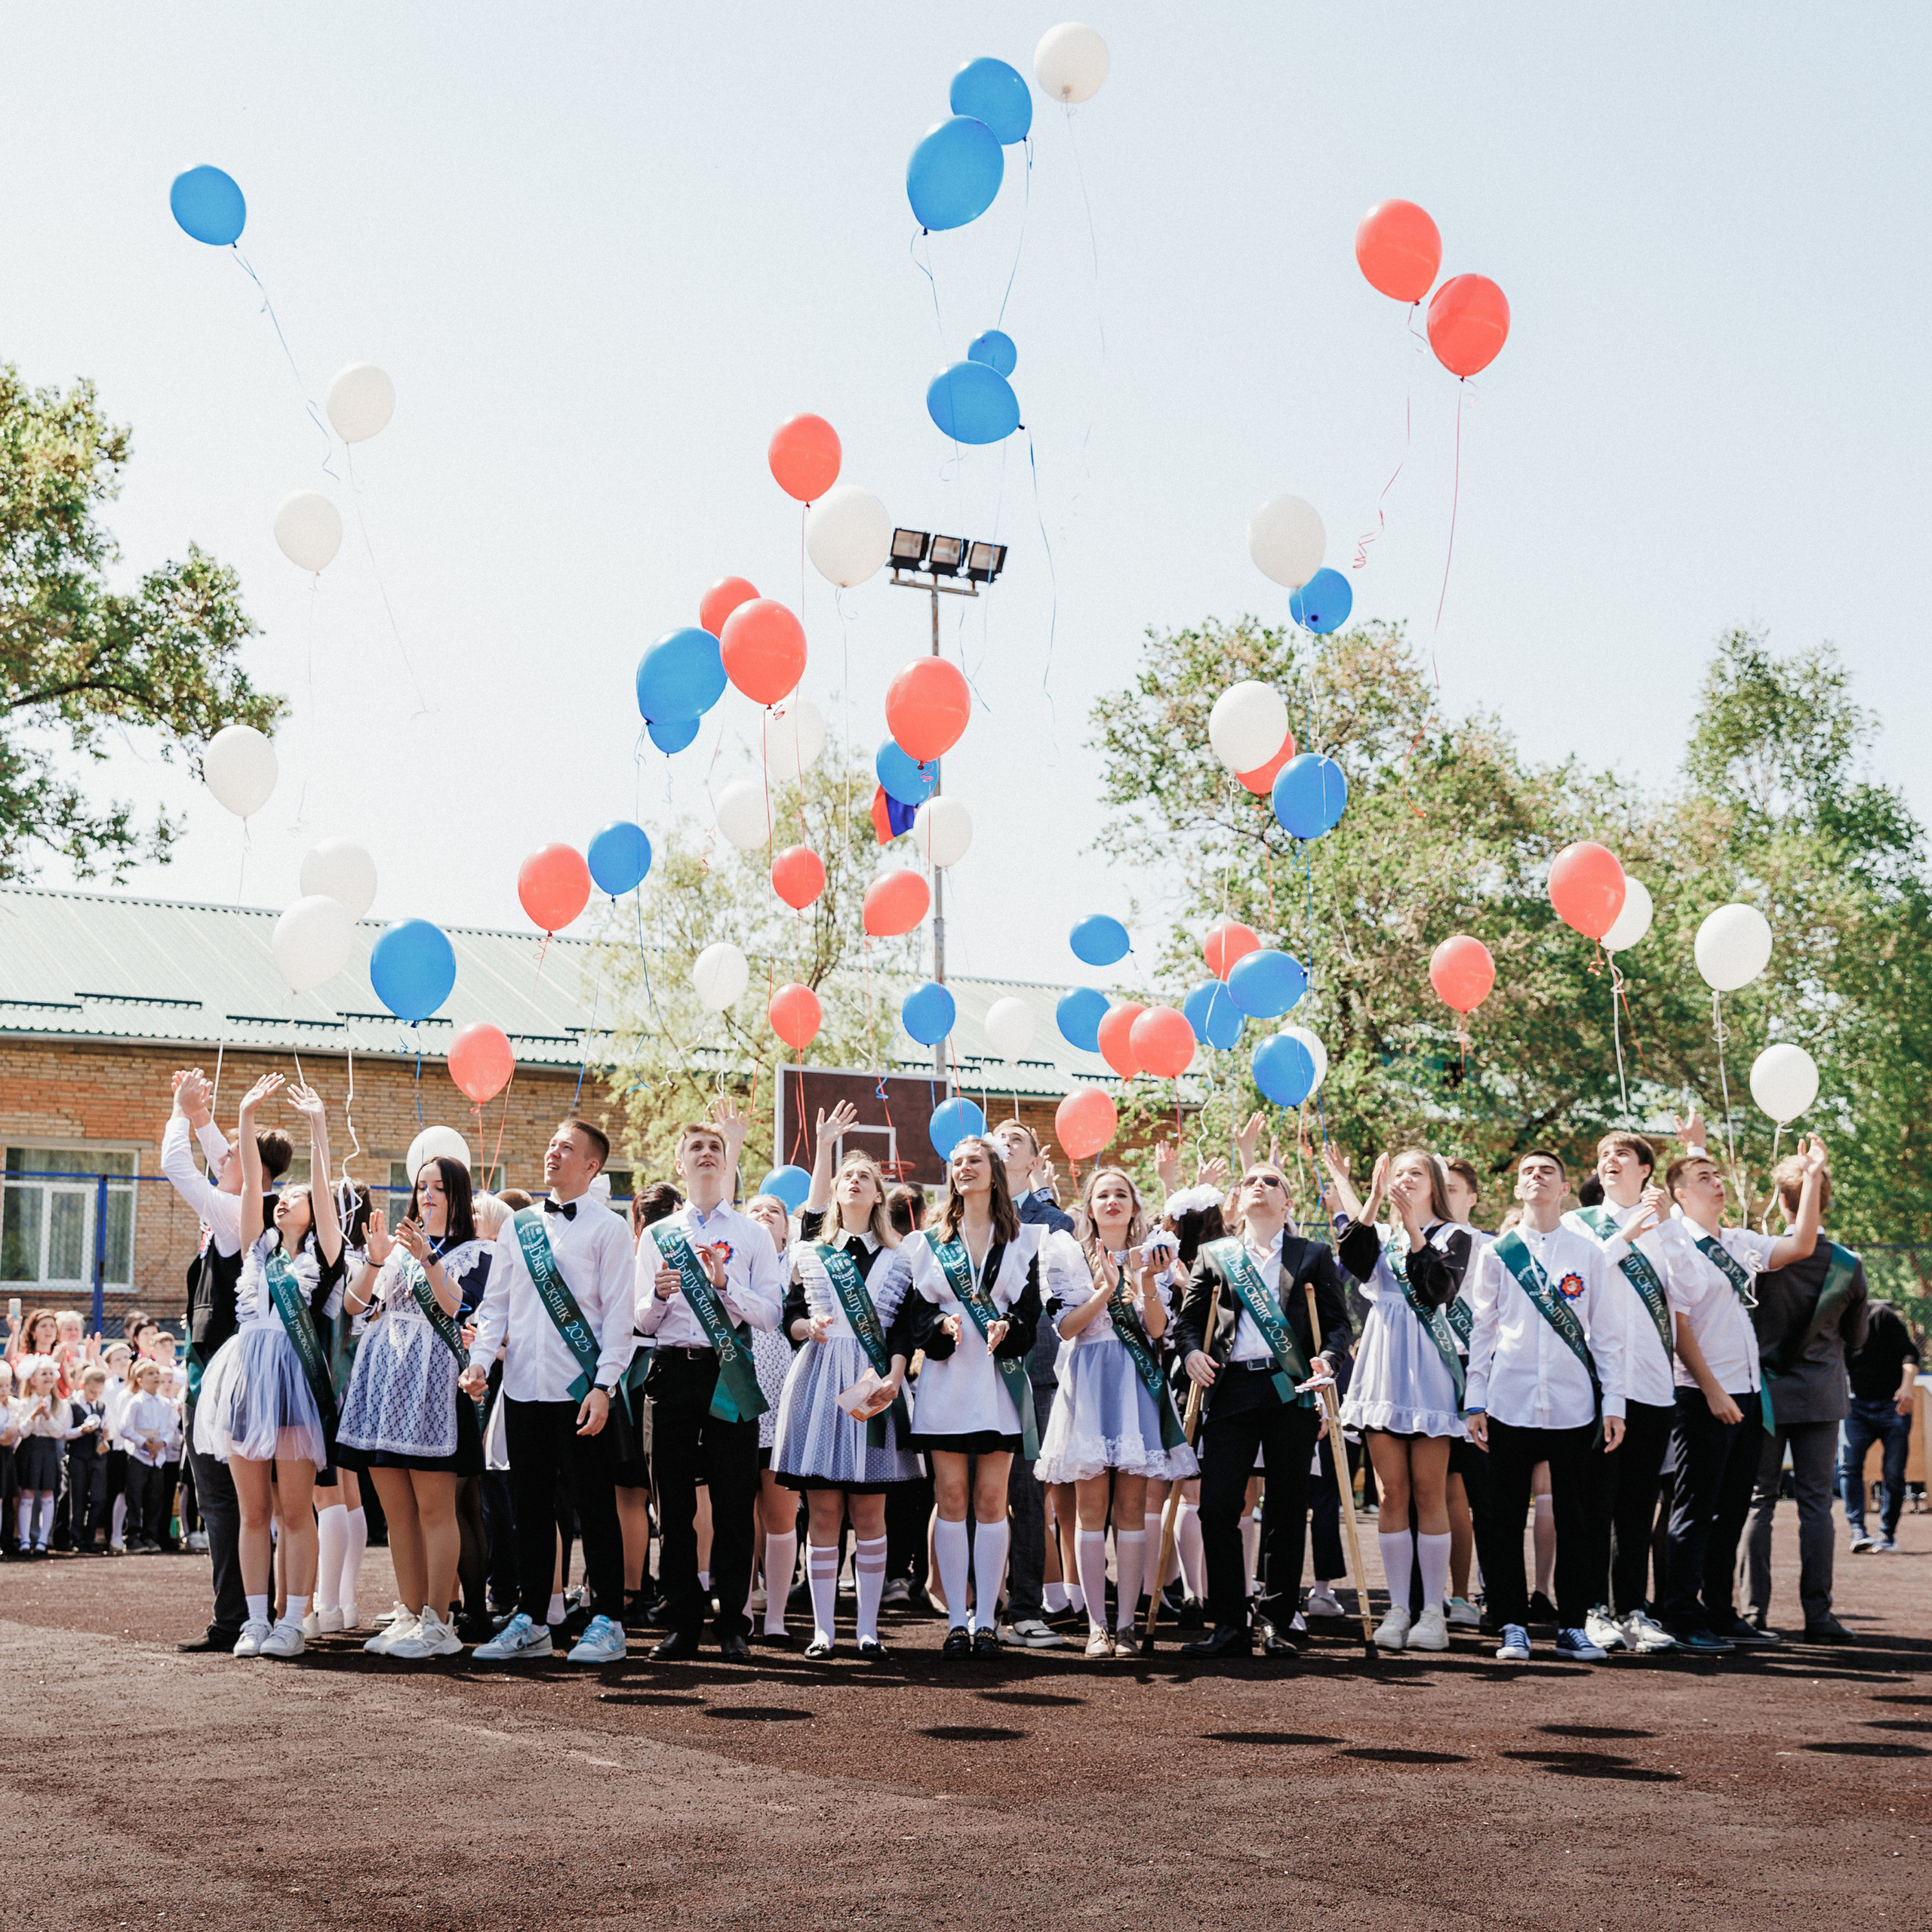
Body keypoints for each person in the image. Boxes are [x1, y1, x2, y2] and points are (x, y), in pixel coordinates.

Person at [460, 1118, 640, 1665]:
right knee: (529, 1509)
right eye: (551, 1144)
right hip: (523, 1387)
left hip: (579, 1388)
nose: (553, 1153)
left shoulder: (608, 1230)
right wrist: (479, 1361)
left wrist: (605, 1384)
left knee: (593, 1506)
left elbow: (618, 1318)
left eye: (567, 1148)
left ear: (592, 1165)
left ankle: (608, 1619)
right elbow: (496, 1305)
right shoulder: (519, 1227)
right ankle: (533, 1620)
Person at [1654, 1132, 1827, 1654]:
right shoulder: (1674, 1242)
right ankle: (1681, 1613)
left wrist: (1813, 1176)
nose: (1717, 1184)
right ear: (1680, 1193)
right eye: (1703, 1178)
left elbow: (1801, 1244)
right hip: (1701, 1394)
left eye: (1717, 1176)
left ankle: (1720, 1611)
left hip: (1747, 1394)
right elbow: (1679, 1327)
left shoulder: (1738, 1240)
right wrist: (1711, 1391)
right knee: (1694, 1507)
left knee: (1731, 1510)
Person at [192, 1076, 346, 1660]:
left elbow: (326, 1194)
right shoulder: (257, 1244)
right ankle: (255, 1621)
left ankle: (293, 1620)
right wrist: (245, 1113)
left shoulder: (324, 1256)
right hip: (244, 1381)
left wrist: (318, 1127)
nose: (285, 1200)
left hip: (292, 1385)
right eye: (284, 1196)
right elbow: (255, 1179)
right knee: (253, 1512)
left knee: (293, 1510)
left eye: (297, 1197)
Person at [1174, 1161, 1351, 1660]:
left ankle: (1276, 1621)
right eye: (1250, 1180)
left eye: (1271, 1181)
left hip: (1290, 1388)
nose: (1259, 1186)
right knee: (1217, 1505)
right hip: (1231, 1387)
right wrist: (1191, 1353)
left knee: (1289, 1507)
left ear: (1287, 1203)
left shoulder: (1312, 1255)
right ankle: (1230, 1621)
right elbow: (1188, 1324)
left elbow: (1338, 1325)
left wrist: (1330, 1359)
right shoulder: (1214, 1256)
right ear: (1238, 1198)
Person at [632, 1115, 786, 1663]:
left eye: (714, 1147)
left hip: (728, 1373)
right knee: (671, 1506)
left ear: (727, 1163)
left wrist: (726, 1285)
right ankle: (680, 1622)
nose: (705, 1153)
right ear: (681, 1163)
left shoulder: (749, 1234)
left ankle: (734, 1624)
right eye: (695, 1146)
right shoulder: (657, 1235)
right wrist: (657, 1295)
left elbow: (770, 1314)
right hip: (672, 1372)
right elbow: (642, 1323)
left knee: (731, 1504)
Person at [1464, 1150, 1627, 1664]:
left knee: (1578, 1518)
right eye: (1528, 1172)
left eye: (1547, 1172)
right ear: (1517, 1188)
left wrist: (1615, 1401)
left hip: (1573, 1404)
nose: (1536, 1177)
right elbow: (1483, 1329)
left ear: (1563, 1189)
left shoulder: (1589, 1251)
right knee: (1503, 1517)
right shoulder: (1496, 1253)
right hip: (1508, 1401)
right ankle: (1512, 1623)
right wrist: (1474, 1399)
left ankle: (1573, 1625)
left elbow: (1605, 1333)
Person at [774, 1108, 922, 1661]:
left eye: (865, 1177)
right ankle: (822, 1630)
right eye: (846, 1177)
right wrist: (806, 1326)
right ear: (835, 1193)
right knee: (825, 1511)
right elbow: (788, 1315)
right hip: (818, 1380)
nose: (854, 1182)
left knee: (870, 1512)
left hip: (873, 1384)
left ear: (879, 1194)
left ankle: (867, 1628)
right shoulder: (813, 1253)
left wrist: (895, 1371)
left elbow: (905, 1326)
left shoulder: (900, 1258)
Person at [1035, 1166, 1198, 1659]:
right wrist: (1106, 1291)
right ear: (1089, 1206)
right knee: (1089, 1510)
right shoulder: (1066, 1253)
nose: (1112, 1201)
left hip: (1134, 1383)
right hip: (1088, 1383)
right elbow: (1066, 1328)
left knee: (1131, 1508)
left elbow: (1156, 1330)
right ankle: (1097, 1626)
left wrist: (1144, 1280)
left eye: (1121, 1194)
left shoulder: (1154, 1255)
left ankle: (1126, 1625)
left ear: (1133, 1205)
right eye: (1102, 1194)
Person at [158, 1067, 294, 1651]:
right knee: (235, 1502)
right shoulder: (243, 1201)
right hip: (222, 1370)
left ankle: (238, 1617)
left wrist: (178, 1110)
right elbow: (221, 1156)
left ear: (254, 1173)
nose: (223, 1158)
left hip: (229, 1375)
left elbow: (177, 1166)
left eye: (234, 1155)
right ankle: (244, 1612)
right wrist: (201, 1116)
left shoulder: (237, 1213)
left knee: (227, 1500)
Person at [337, 1155, 493, 1660]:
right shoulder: (395, 1250)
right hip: (386, 1384)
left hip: (435, 1384)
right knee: (397, 1510)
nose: (427, 1195)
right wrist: (377, 1258)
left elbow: (454, 1309)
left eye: (439, 1187)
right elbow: (356, 1308)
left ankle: (439, 1619)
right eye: (422, 1186)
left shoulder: (476, 1251)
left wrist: (428, 1258)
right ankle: (408, 1611)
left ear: (458, 1194)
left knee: (433, 1507)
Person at [901, 1135, 1046, 1660]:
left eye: (975, 1160)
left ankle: (988, 1619)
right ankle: (957, 1619)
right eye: (957, 1162)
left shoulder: (1025, 1241)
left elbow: (1031, 1314)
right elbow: (915, 1318)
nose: (965, 1168)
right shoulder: (927, 1243)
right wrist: (941, 1324)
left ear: (994, 1171)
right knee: (951, 1500)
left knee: (991, 1501)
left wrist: (1010, 1325)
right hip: (946, 1383)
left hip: (998, 1386)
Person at [1324, 1146, 1471, 1653]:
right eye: (1399, 1174)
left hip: (1429, 1373)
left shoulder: (1456, 1236)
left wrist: (1413, 1230)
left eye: (1416, 1173)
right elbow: (1352, 1259)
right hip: (1384, 1370)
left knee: (1431, 1492)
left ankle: (1435, 1610)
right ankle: (1399, 1607)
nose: (1406, 1180)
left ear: (1435, 1183)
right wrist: (1368, 1199)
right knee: (1391, 1494)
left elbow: (1437, 1291)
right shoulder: (1379, 1235)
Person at [1562, 1131, 1682, 1655]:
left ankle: (1634, 1609)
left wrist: (1668, 1228)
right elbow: (1572, 1285)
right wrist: (1625, 1236)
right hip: (1599, 1387)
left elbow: (1692, 1293)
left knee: (1637, 1505)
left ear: (1646, 1171)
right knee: (1595, 1502)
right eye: (1604, 1155)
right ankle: (1591, 1609)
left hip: (1654, 1386)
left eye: (1623, 1155)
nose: (1611, 1161)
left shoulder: (1667, 1228)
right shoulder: (1577, 1224)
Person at [1744, 1150, 1867, 1642]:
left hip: (1766, 1396)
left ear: (1782, 1201)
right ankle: (1818, 1616)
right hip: (1821, 1396)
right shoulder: (1847, 1265)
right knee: (1817, 1505)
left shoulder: (1759, 1256)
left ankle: (1753, 1614)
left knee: (1759, 1503)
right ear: (1826, 1199)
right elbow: (1857, 1340)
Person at [989, 1118, 1075, 1651]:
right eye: (995, 1135)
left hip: (1031, 1374)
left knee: (1025, 1492)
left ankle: (1024, 1608)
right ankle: (975, 1609)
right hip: (970, 1371)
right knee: (974, 1493)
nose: (1003, 1143)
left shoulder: (1053, 1221)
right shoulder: (967, 1213)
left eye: (1015, 1139)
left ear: (1034, 1160)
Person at [742, 1186, 804, 1647]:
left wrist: (823, 1147)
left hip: (784, 1407)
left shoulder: (796, 1264)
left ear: (787, 1227)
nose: (764, 1216)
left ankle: (778, 1613)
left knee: (781, 1512)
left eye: (774, 1212)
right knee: (739, 1513)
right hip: (738, 1404)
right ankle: (741, 1606)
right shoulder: (734, 1261)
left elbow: (820, 1207)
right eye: (755, 1210)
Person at [1841, 1301, 1919, 1556]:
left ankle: (1887, 1533)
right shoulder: (1834, 1320)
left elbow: (1910, 1354)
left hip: (1892, 1405)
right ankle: (1857, 1531)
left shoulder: (1880, 1316)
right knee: (1848, 1466)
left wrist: (1907, 1387)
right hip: (1856, 1406)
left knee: (1894, 1473)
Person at [12, 1355, 75, 1555]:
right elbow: (22, 1431)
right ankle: (24, 1540)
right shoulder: (23, 1404)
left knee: (48, 1493)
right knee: (28, 1493)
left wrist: (47, 1416)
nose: (48, 1377)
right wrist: (34, 1415)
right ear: (33, 1379)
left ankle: (42, 1540)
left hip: (49, 1451)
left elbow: (60, 1432)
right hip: (30, 1449)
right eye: (43, 1374)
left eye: (51, 1373)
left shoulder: (60, 1405)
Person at [120, 1358, 179, 1551]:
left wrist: (161, 1444)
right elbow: (125, 1428)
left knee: (155, 1499)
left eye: (156, 1373)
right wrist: (145, 1443)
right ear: (139, 1380)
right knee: (135, 1498)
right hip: (139, 1456)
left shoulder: (165, 1403)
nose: (156, 1377)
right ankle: (133, 1536)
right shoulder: (136, 1402)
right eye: (150, 1374)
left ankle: (150, 1535)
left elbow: (170, 1429)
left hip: (158, 1458)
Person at [61, 1364, 112, 1555]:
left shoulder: (101, 1406)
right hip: (78, 1457)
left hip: (98, 1458)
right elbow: (65, 1432)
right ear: (83, 1385)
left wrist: (105, 1432)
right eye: (92, 1391)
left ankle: (90, 1537)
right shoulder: (71, 1405)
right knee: (78, 1499)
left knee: (99, 1498)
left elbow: (109, 1429)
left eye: (99, 1392)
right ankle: (78, 1539)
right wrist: (81, 1430)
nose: (95, 1395)